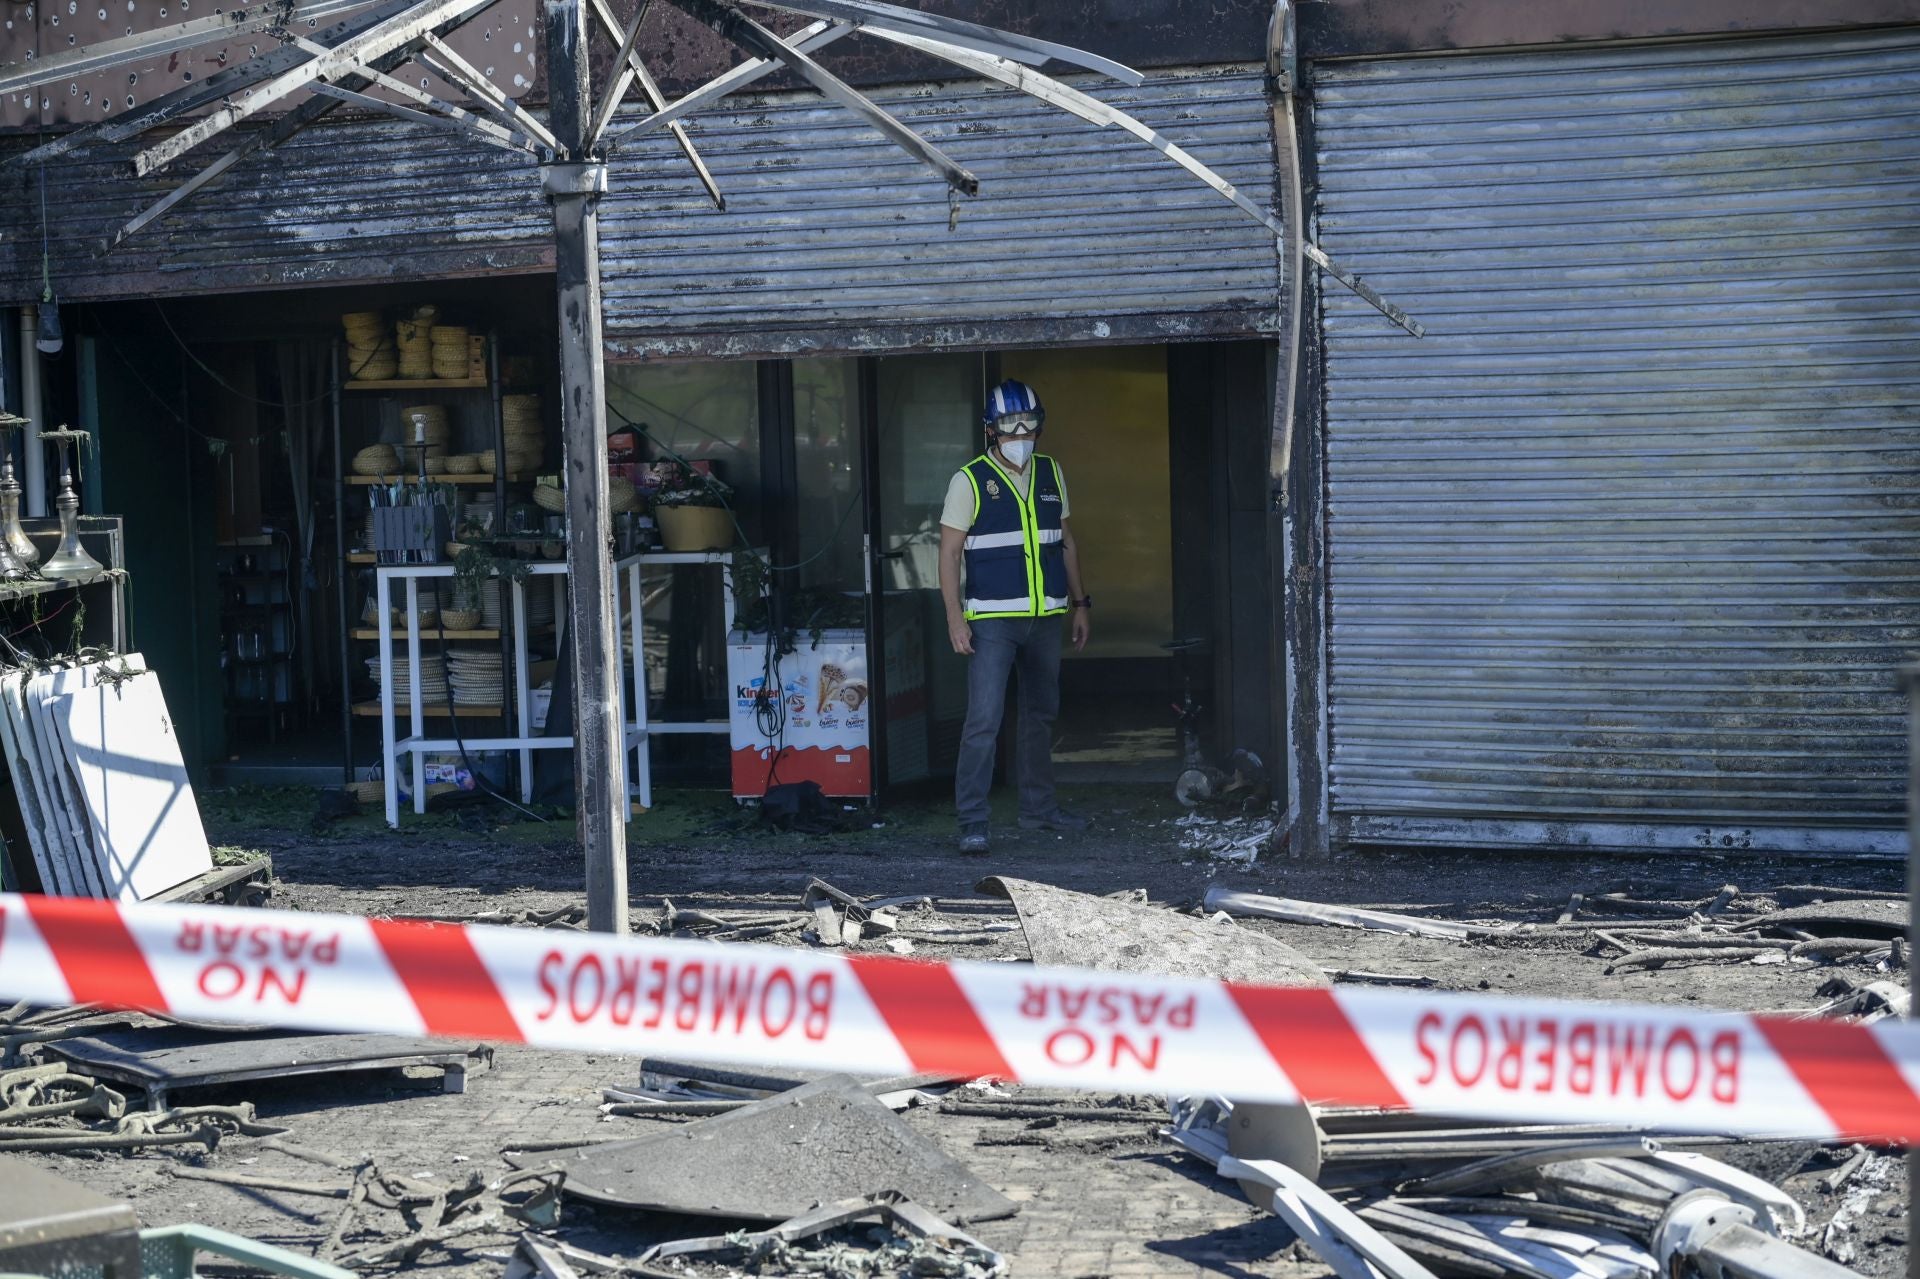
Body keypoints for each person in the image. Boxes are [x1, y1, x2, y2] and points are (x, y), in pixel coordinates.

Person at [938, 379, 1092, 855]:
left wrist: (1080, 602)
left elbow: (1065, 542)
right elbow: (948, 555)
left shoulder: (1051, 472)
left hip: (1045, 617)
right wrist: (955, 619)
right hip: (992, 624)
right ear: (991, 429)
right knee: (983, 720)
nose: (1021, 433)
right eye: (1009, 424)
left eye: (1029, 423)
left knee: (1040, 715)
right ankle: (972, 823)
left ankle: (1038, 810)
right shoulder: (968, 480)